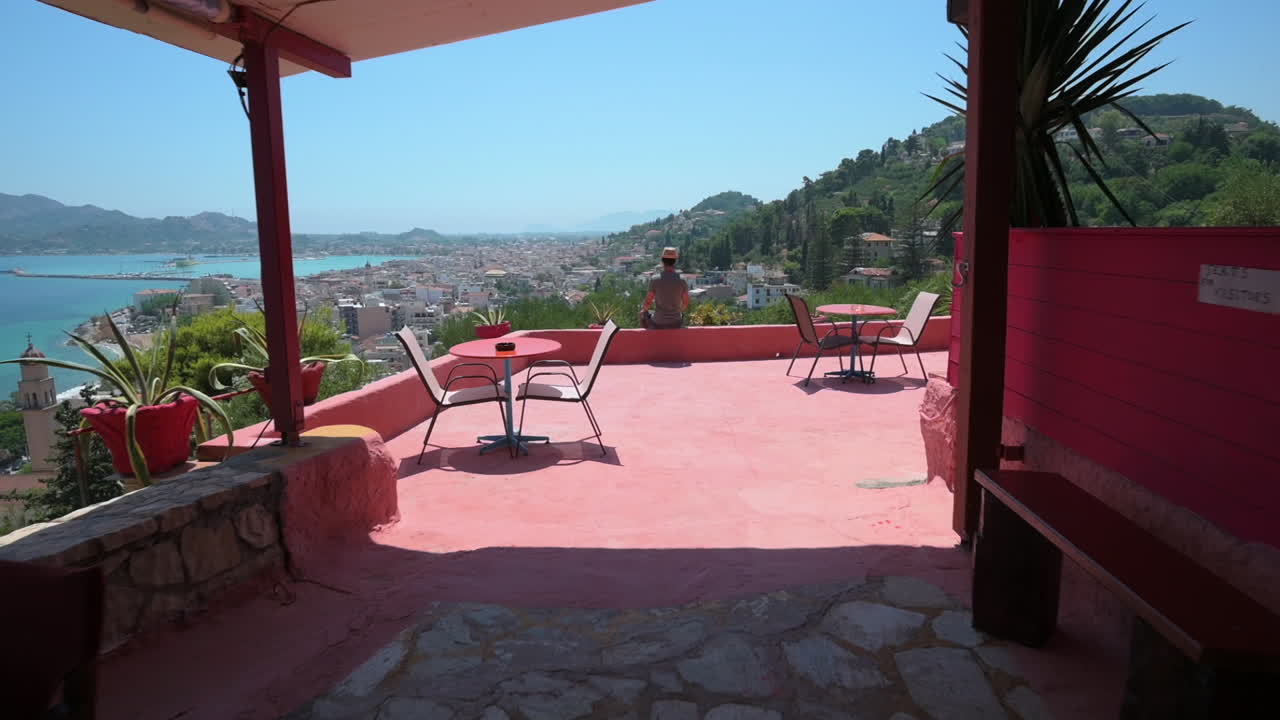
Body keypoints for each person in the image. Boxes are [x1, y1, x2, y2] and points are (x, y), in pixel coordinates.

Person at [639, 246, 689, 329]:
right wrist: (677, 311)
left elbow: (648, 302)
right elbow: (686, 303)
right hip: (676, 322)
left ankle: (648, 340)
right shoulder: (682, 280)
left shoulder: (655, 279)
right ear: (675, 261)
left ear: (662, 261)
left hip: (658, 322)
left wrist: (643, 311)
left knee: (643, 314)